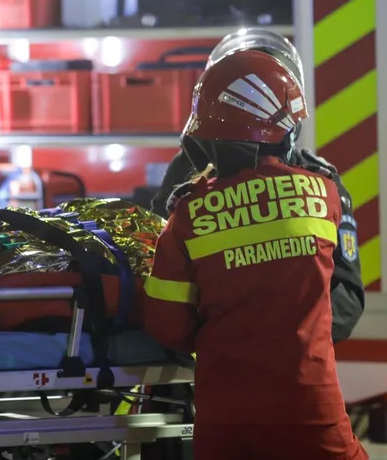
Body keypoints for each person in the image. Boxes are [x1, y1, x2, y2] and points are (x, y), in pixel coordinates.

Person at [143, 49, 381, 460]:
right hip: (308, 408)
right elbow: (341, 294)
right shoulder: (323, 195)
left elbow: (165, 320)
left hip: (225, 415)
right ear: (284, 126)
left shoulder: (188, 211)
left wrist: (218, 339)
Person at [151, 28, 364, 344]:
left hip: (285, 360)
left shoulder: (322, 182)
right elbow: (156, 260)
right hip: (199, 368)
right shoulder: (191, 167)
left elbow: (346, 298)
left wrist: (275, 334)